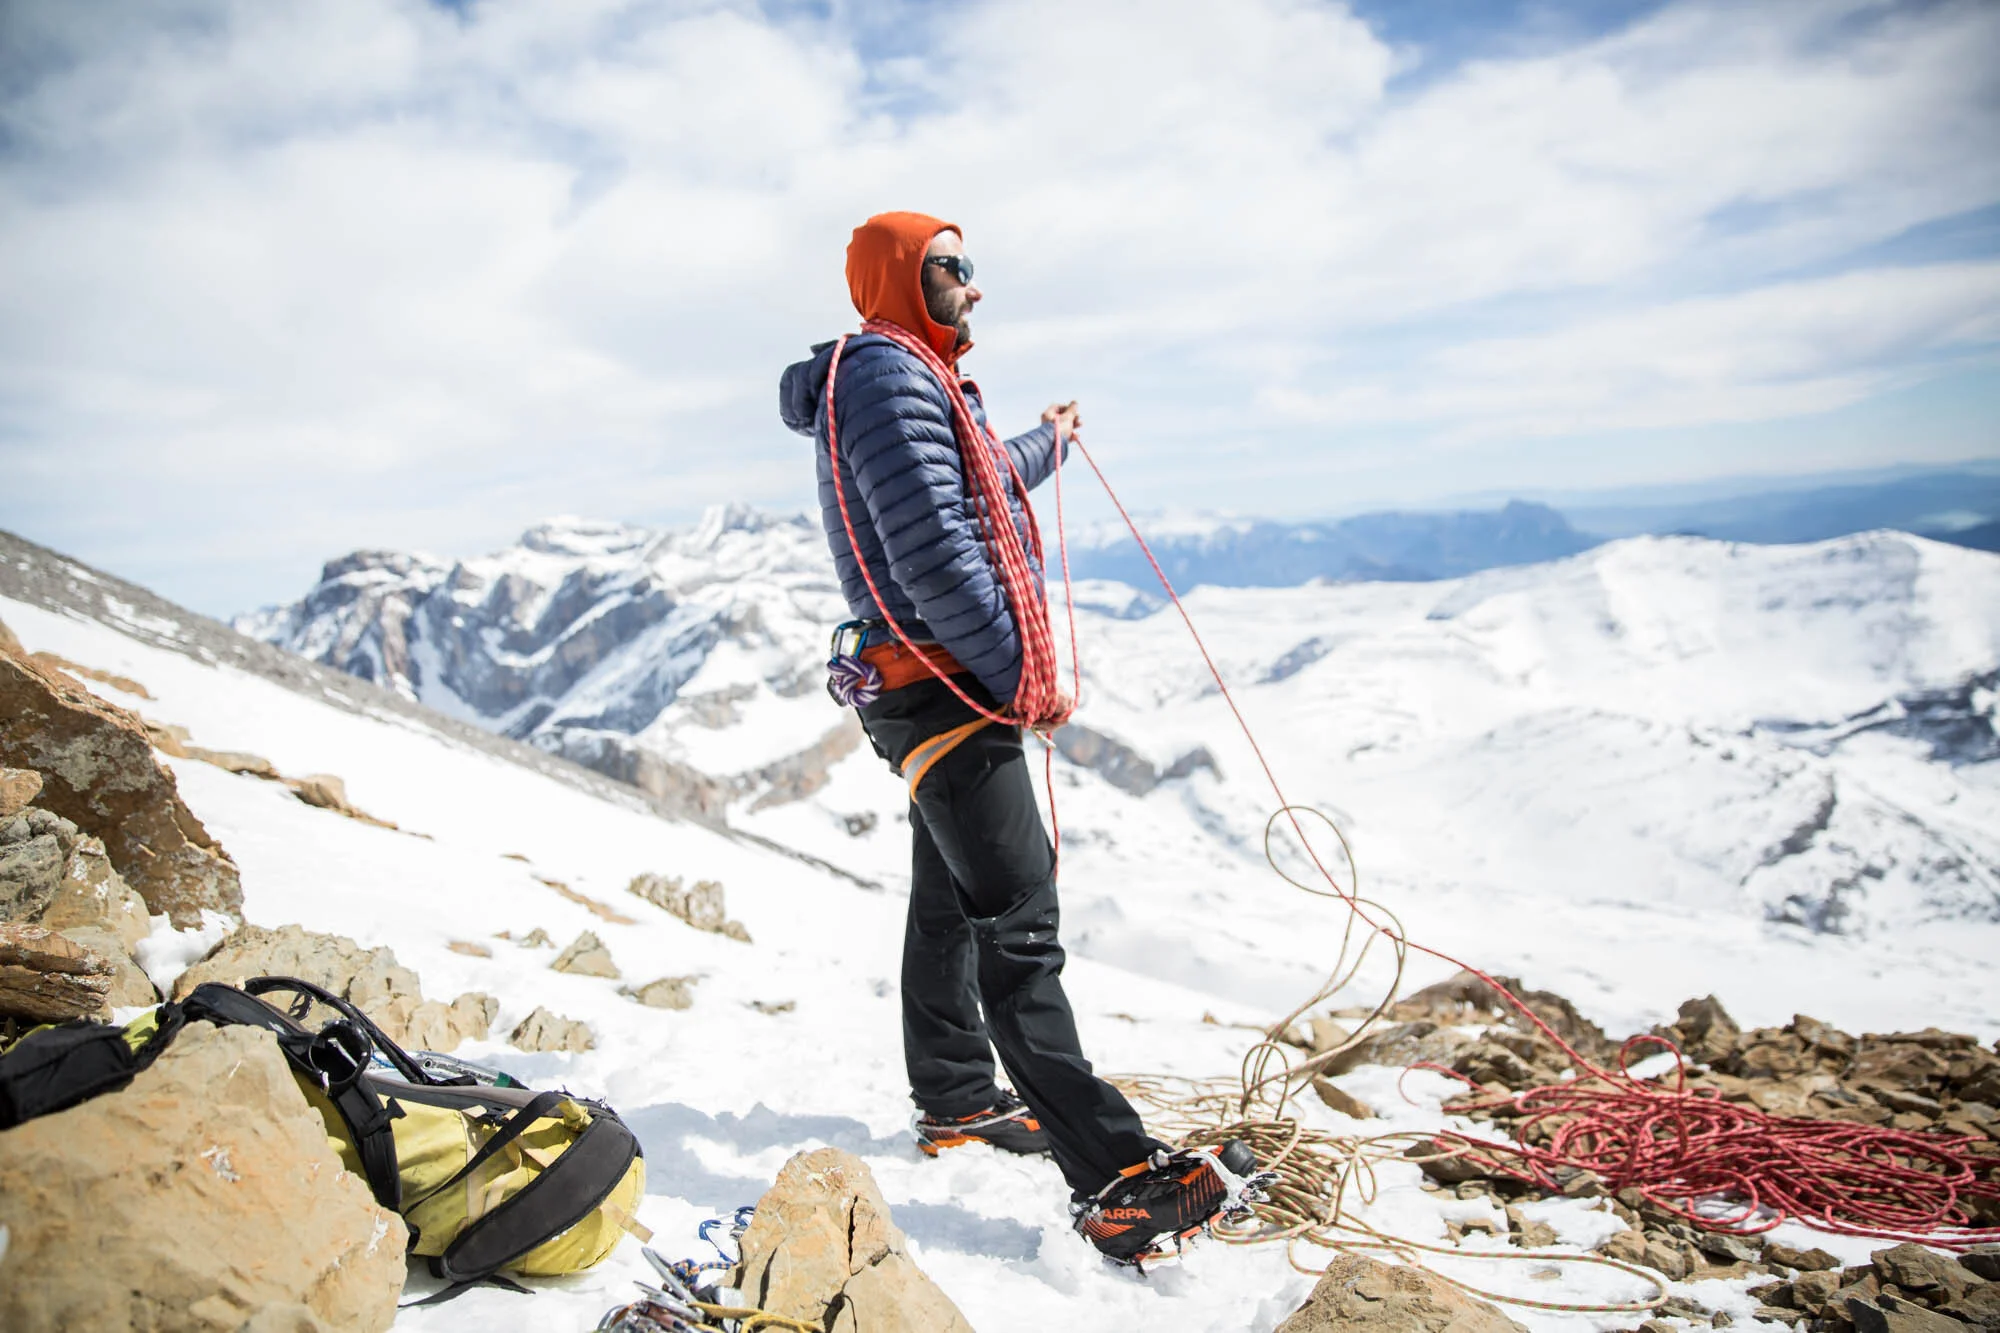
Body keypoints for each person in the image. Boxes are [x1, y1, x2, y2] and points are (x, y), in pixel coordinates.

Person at [779, 211, 1264, 1264]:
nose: (974, 285)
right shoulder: (886, 375)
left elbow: (974, 477)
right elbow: (935, 551)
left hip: (930, 680)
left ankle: (956, 1098)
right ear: (901, 279)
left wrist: (1050, 439)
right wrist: (1021, 677)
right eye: (952, 266)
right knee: (1018, 918)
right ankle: (1116, 1182)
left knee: (951, 898)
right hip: (943, 683)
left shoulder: (908, 379)